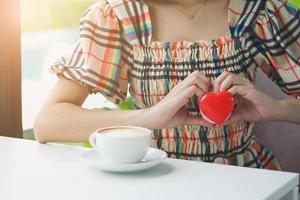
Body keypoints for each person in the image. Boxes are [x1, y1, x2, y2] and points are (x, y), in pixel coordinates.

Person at [34, 0, 300, 169]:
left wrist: (275, 108)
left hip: (246, 179)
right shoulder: (120, 15)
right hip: (153, 177)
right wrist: (149, 117)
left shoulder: (257, 10)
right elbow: (48, 122)